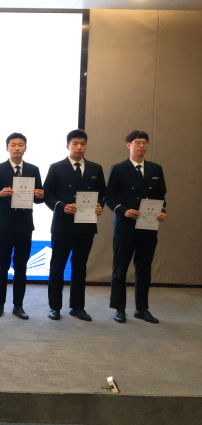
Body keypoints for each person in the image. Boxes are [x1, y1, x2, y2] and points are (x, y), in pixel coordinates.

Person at [43, 129, 106, 321]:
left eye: (83, 144)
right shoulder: (56, 167)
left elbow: (102, 194)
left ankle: (77, 307)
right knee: (58, 266)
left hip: (86, 225)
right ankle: (55, 307)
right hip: (62, 225)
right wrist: (62, 206)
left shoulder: (95, 168)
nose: (79, 147)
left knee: (80, 267)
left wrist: (99, 206)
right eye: (75, 143)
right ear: (68, 146)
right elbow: (48, 195)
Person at [105, 130, 167, 324]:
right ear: (128, 145)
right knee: (120, 268)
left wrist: (162, 211)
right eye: (137, 142)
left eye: (144, 143)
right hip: (125, 225)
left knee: (144, 268)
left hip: (148, 226)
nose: (141, 146)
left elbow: (160, 196)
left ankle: (142, 308)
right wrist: (123, 211)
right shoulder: (118, 169)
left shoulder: (155, 169)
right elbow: (109, 197)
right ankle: (119, 309)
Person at [0, 132, 44, 320]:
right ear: (7, 148)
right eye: (13, 145)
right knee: (2, 266)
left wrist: (39, 196)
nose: (17, 148)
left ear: (25, 147)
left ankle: (18, 305)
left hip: (25, 225)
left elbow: (40, 197)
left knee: (21, 267)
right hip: (4, 225)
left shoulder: (33, 169)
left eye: (20, 145)